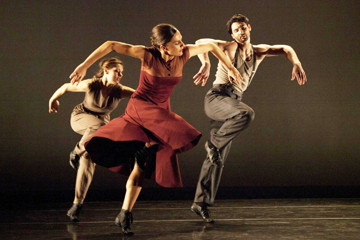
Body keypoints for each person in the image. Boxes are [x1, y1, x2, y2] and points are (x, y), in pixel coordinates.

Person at [69, 23, 242, 235]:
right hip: (141, 108)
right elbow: (111, 44)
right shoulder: (148, 55)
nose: (182, 45)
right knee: (180, 129)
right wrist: (84, 65)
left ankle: (124, 213)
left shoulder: (184, 53)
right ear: (162, 47)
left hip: (160, 112)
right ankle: (212, 146)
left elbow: (212, 47)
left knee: (143, 163)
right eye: (176, 43)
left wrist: (228, 68)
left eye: (181, 40)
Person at [191, 13, 307, 223]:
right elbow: (201, 42)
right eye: (236, 30)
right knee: (246, 113)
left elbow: (286, 48)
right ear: (232, 34)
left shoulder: (259, 51)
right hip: (218, 98)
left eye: (243, 28)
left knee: (217, 159)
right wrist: (206, 63)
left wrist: (296, 63)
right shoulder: (227, 47)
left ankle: (200, 203)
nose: (240, 32)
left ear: (249, 28)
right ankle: (213, 144)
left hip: (232, 104)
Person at [49, 57, 135, 222]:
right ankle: (77, 149)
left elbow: (141, 94)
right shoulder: (92, 84)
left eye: (122, 73)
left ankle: (77, 205)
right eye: (117, 71)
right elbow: (66, 87)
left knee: (89, 158)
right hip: (81, 118)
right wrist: (53, 99)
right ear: (106, 71)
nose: (120, 75)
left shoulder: (120, 90)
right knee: (100, 128)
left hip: (100, 127)